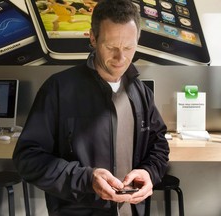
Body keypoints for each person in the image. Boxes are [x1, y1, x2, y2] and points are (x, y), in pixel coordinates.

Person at [13, 0, 169, 215]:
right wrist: (86, 178)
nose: (121, 58)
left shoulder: (141, 92)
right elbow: (27, 158)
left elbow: (158, 146)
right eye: (111, 47)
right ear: (93, 38)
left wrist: (148, 172)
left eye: (128, 47)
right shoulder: (58, 88)